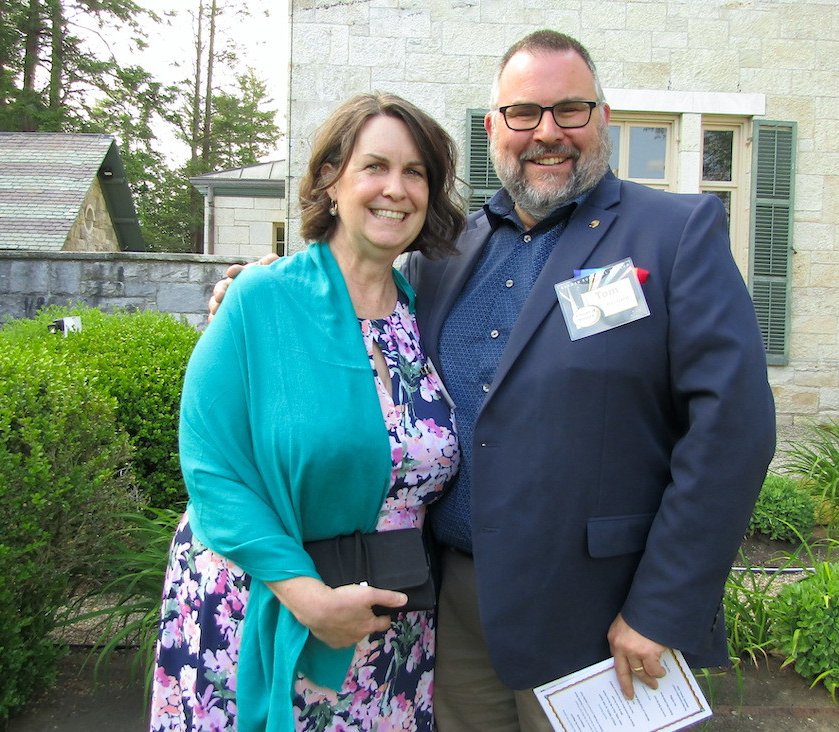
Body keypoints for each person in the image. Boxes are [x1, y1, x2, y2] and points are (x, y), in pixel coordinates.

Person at [212, 30, 776, 732]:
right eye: (523, 114)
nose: (547, 133)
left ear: (603, 117)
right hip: (453, 607)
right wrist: (262, 289)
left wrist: (660, 606)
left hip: (599, 611)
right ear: (494, 129)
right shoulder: (446, 253)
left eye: (570, 110)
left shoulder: (676, 233)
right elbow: (358, 291)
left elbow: (734, 430)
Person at [151, 92, 465, 732]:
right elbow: (212, 469)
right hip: (269, 601)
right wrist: (310, 599)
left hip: (388, 631)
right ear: (330, 180)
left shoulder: (424, 315)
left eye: (416, 173)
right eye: (374, 166)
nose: (396, 189)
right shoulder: (260, 298)